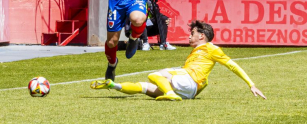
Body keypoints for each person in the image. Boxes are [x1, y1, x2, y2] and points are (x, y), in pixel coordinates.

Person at [91, 20, 267, 101]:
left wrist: (251, 84)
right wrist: (114, 86)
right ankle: (113, 85)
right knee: (146, 88)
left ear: (202, 36)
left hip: (189, 80)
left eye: (192, 34)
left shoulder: (210, 48)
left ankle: (170, 93)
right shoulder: (199, 51)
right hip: (190, 90)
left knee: (155, 75)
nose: (189, 36)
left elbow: (231, 65)